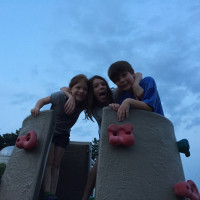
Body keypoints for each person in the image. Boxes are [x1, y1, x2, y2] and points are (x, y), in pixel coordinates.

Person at [61, 74, 143, 200]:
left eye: (103, 84)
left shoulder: (114, 95)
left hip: (124, 138)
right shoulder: (90, 105)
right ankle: (85, 197)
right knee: (98, 167)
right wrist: (71, 97)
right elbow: (64, 88)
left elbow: (137, 74)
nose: (101, 87)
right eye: (96, 86)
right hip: (105, 141)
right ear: (91, 92)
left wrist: (136, 84)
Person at [31, 74, 88, 200]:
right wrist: (36, 107)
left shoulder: (83, 103)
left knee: (57, 164)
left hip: (64, 134)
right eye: (78, 88)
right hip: (51, 131)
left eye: (85, 89)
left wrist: (72, 96)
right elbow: (42, 101)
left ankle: (52, 193)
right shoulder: (59, 96)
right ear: (71, 88)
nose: (81, 91)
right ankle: (47, 192)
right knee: (49, 162)